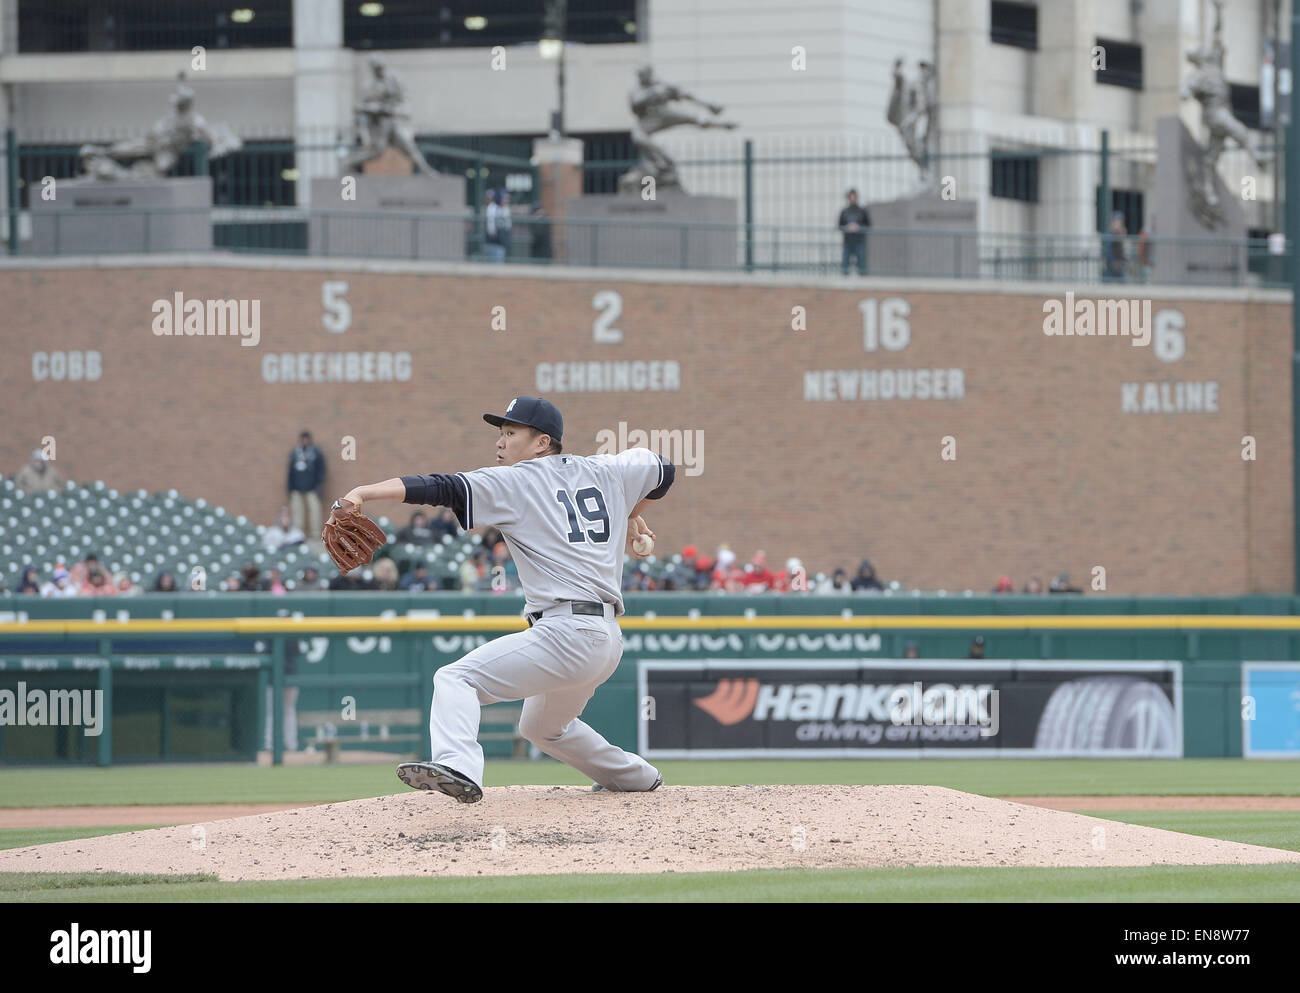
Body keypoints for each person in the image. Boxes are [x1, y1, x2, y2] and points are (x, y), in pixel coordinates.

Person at [330, 394, 673, 802]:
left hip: (565, 634)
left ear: (542, 442)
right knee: (542, 729)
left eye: (511, 432)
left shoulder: (516, 480)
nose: (500, 442)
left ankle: (458, 765)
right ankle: (635, 775)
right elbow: (664, 470)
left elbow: (439, 487)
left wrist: (363, 492)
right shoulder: (606, 469)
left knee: (456, 678)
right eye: (501, 432)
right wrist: (631, 512)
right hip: (606, 639)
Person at [287, 430, 326, 546]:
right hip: (297, 489)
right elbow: (290, 472)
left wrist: (318, 487)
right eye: (303, 439)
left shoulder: (316, 453)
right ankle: (299, 534)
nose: (304, 441)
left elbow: (321, 471)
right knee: (298, 513)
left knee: (314, 511)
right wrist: (290, 488)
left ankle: (315, 534)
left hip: (312, 489)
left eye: (306, 439)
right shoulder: (295, 453)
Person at [838, 189, 870, 276]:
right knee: (845, 264)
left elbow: (869, 225)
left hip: (859, 241)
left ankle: (863, 281)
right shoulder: (844, 211)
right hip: (848, 241)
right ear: (848, 198)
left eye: (854, 196)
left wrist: (859, 227)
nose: (852, 198)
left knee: (862, 264)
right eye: (850, 196)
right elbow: (839, 225)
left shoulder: (862, 211)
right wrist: (847, 227)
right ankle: (844, 280)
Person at [484, 189, 511, 263]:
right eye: (504, 199)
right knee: (492, 263)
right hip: (492, 242)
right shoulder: (492, 208)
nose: (506, 201)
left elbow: (507, 226)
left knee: (499, 263)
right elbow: (491, 227)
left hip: (501, 242)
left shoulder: (506, 209)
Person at [1102, 210, 1127, 282]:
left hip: (1119, 264)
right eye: (1118, 222)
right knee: (1109, 283)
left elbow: (1121, 249)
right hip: (1112, 264)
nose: (1120, 224)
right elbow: (1108, 249)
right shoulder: (1109, 233)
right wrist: (1113, 261)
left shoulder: (1118, 233)